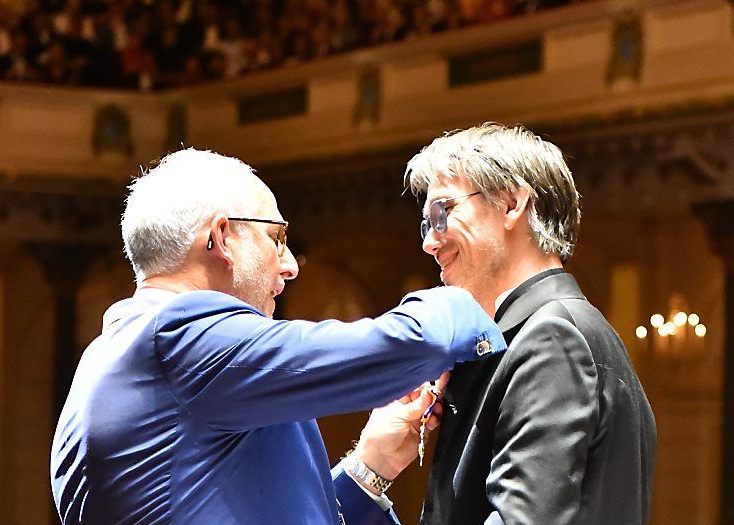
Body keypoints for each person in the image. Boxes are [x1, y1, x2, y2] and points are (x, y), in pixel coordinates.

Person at [50, 148, 507, 524]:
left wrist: (371, 466)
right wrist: (481, 289)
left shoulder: (110, 352)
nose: (289, 266)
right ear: (221, 237)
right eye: (278, 238)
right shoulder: (181, 336)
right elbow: (405, 344)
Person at [402, 123, 656, 524]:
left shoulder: (552, 338)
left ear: (510, 204)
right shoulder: (535, 332)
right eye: (426, 224)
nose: (429, 243)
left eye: (442, 213)